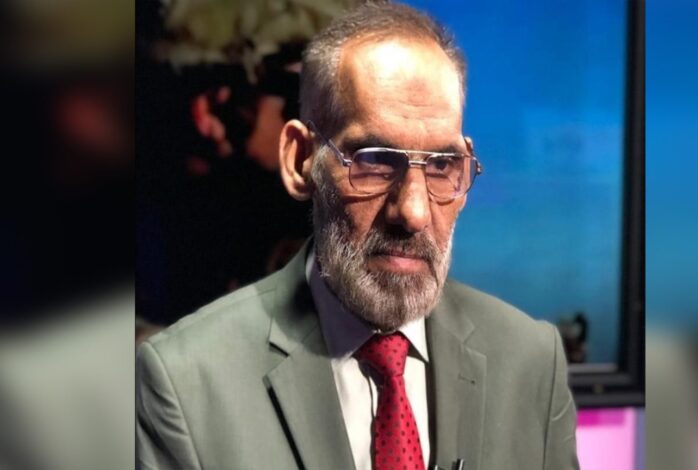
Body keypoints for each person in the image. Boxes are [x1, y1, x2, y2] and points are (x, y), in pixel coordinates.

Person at [136, 3, 580, 470]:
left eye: (442, 165)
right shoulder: (184, 381)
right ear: (300, 160)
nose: (413, 212)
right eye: (373, 160)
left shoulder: (533, 363)